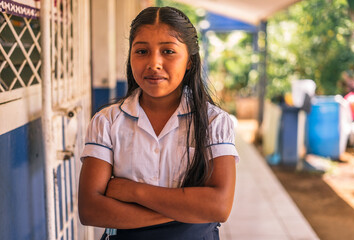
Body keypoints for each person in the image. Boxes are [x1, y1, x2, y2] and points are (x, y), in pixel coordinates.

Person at [78, 6, 239, 240]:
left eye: (168, 51)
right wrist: (189, 208)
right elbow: (90, 210)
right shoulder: (107, 122)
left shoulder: (214, 122)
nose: (154, 63)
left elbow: (219, 207)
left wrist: (134, 191)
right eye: (142, 51)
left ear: (189, 62)